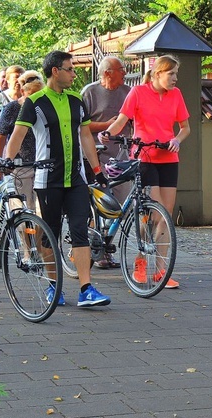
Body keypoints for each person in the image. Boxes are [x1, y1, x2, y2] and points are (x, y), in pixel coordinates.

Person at [4, 50, 110, 308]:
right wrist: (7, 162)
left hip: (76, 179)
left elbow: (85, 136)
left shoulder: (76, 100)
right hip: (47, 180)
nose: (74, 73)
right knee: (48, 235)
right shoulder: (35, 102)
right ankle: (54, 286)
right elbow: (17, 135)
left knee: (79, 231)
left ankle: (86, 289)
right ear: (55, 71)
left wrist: (96, 170)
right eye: (70, 69)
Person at [100, 54, 190, 289]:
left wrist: (178, 140)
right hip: (145, 157)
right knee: (154, 214)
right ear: (158, 73)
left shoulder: (176, 95)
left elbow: (185, 128)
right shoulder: (138, 93)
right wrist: (108, 133)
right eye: (171, 74)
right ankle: (140, 262)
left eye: (176, 75)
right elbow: (122, 120)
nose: (175, 79)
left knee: (166, 217)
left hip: (169, 157)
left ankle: (161, 271)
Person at [81, 56, 131, 269]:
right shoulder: (89, 92)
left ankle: (107, 247)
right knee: (98, 207)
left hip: (122, 158)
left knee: (119, 207)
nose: (125, 72)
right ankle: (96, 250)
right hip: (96, 157)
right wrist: (106, 126)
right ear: (108, 72)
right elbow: (81, 125)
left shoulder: (128, 92)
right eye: (122, 69)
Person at [0, 70, 43, 214]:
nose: (35, 97)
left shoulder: (45, 107)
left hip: (41, 165)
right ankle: (24, 237)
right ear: (22, 91)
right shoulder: (12, 108)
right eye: (31, 93)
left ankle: (40, 238)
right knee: (23, 212)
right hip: (19, 166)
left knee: (42, 212)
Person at [0, 65, 24, 138]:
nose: (19, 80)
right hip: (3, 144)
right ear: (7, 79)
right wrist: (11, 130)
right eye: (16, 77)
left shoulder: (28, 98)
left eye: (22, 78)